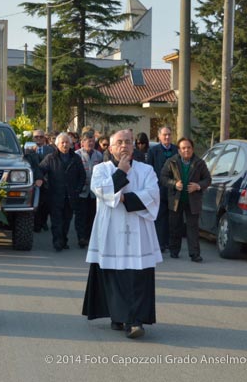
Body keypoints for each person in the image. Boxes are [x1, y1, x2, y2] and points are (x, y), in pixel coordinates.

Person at [82, 129, 161, 339]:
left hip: (139, 231)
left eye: (128, 142)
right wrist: (122, 172)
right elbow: (101, 190)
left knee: (136, 276)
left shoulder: (146, 170)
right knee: (113, 276)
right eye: (119, 142)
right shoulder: (100, 169)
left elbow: (153, 194)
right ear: (110, 147)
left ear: (133, 146)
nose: (124, 146)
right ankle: (117, 316)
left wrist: (125, 199)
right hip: (110, 232)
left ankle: (135, 322)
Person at [160, 137, 211, 262]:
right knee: (175, 226)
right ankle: (174, 250)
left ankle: (194, 254)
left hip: (193, 201)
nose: (186, 150)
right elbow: (163, 177)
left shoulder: (199, 163)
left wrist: (198, 186)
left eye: (188, 148)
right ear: (179, 150)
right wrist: (174, 184)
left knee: (192, 228)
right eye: (183, 148)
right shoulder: (171, 162)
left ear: (192, 149)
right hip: (176, 200)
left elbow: (207, 179)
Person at [38, 133, 86, 251]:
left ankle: (64, 240)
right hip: (55, 195)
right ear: (57, 145)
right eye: (62, 143)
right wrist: (41, 181)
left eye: (67, 142)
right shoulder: (50, 158)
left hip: (70, 196)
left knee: (66, 221)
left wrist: (77, 190)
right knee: (56, 221)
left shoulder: (76, 158)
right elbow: (40, 170)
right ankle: (57, 242)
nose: (65, 145)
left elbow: (82, 176)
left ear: (71, 144)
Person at [146, 126, 179, 252]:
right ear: (159, 136)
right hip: (159, 188)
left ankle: (172, 244)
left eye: (169, 134)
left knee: (173, 218)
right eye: (164, 135)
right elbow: (149, 169)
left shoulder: (176, 150)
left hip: (174, 189)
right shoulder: (153, 151)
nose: (167, 137)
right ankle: (160, 243)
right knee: (160, 217)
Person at [75, 132, 104, 247]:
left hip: (94, 192)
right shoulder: (77, 155)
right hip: (82, 191)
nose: (90, 143)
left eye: (92, 141)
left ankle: (89, 237)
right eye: (88, 141)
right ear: (82, 142)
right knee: (81, 216)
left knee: (92, 216)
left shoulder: (99, 155)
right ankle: (81, 237)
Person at [31, 129, 55, 232]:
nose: (39, 139)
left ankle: (43, 222)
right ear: (33, 138)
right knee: (35, 203)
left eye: (41, 137)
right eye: (36, 137)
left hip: (47, 180)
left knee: (46, 204)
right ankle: (36, 224)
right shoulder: (28, 149)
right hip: (33, 180)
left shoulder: (50, 150)